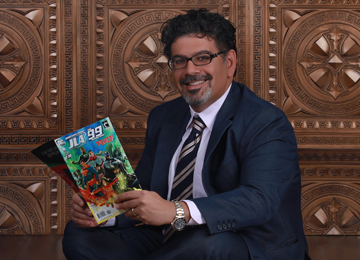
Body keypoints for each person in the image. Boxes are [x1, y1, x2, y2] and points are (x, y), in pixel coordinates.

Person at [62, 8, 311, 260]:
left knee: (204, 247)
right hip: (173, 235)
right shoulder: (163, 116)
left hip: (245, 240)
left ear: (230, 63)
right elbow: (145, 191)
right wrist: (102, 213)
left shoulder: (266, 120)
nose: (190, 70)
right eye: (180, 61)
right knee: (80, 235)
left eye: (203, 57)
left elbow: (258, 201)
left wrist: (176, 211)